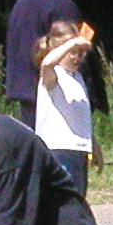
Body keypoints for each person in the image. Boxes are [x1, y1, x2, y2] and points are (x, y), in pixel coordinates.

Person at [6, 0, 104, 123]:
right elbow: (74, 55)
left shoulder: (22, 2)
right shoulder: (61, 5)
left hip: (27, 97)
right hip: (56, 98)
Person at [34, 19, 98, 190]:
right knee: (62, 197)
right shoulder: (53, 75)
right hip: (57, 150)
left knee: (77, 197)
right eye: (73, 53)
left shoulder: (78, 77)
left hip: (78, 150)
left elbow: (80, 116)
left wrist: (93, 144)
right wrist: (73, 42)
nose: (78, 58)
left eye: (82, 53)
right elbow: (47, 63)